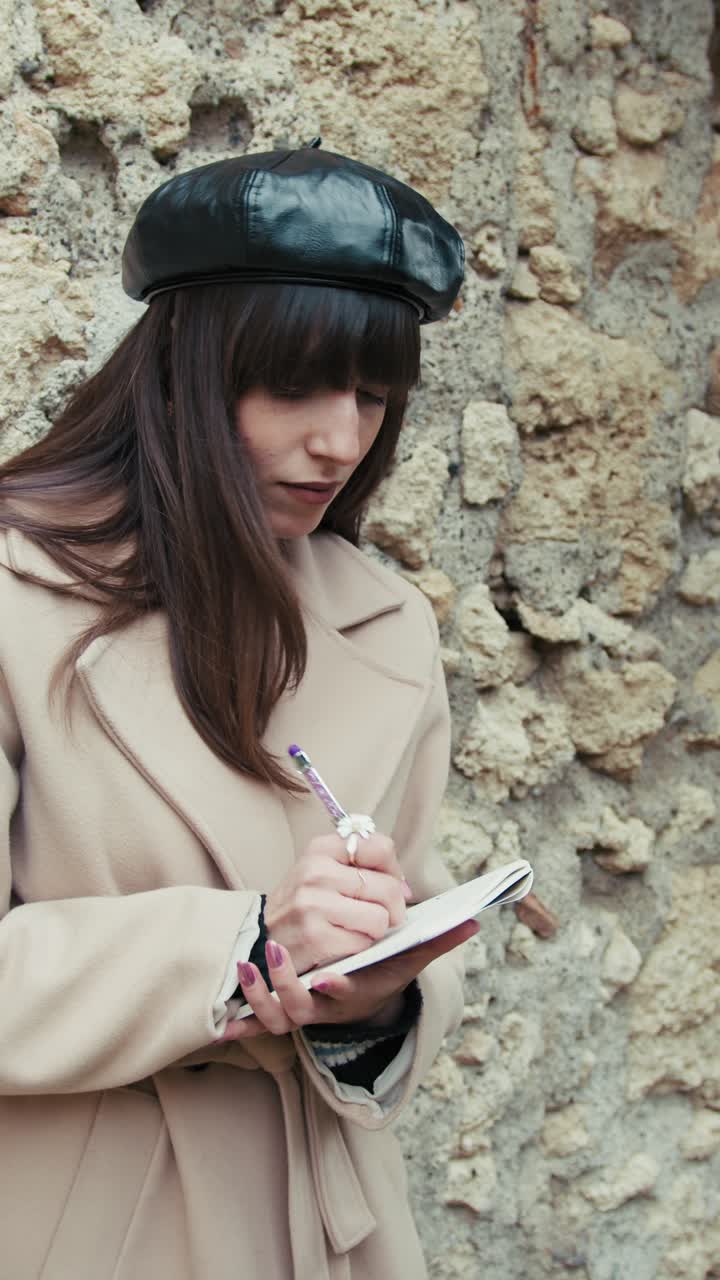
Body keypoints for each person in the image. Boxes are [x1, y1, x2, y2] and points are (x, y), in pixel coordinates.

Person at [0, 141, 475, 1280]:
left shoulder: (386, 621)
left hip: (324, 1224)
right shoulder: (14, 593)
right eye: (298, 385)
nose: (342, 441)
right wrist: (242, 946)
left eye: (372, 395)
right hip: (78, 1217)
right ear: (188, 372)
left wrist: (376, 992)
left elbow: (410, 895)